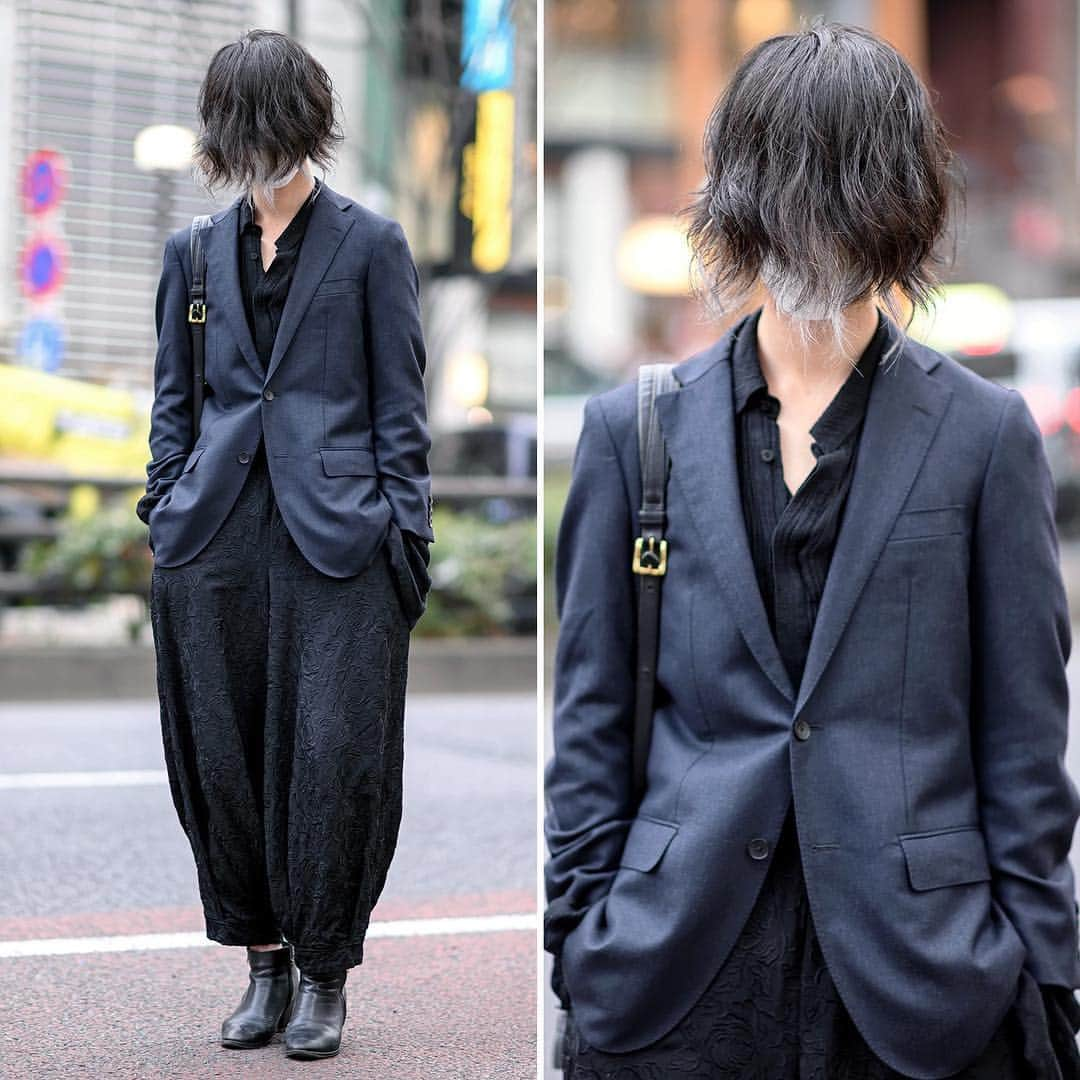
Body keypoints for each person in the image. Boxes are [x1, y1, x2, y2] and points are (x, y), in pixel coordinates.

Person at [545, 20, 1080, 1080]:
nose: (814, 232)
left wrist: (1039, 971)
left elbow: (1026, 746)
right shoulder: (635, 433)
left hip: (925, 986)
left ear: (900, 207)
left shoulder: (982, 435)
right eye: (788, 195)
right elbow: (591, 725)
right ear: (740, 202)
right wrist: (583, 938)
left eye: (844, 197)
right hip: (674, 978)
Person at [135, 29, 434, 1061]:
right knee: (223, 761)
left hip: (341, 544)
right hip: (213, 541)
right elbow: (175, 403)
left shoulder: (371, 245)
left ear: (304, 125)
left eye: (268, 125)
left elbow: (403, 409)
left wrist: (408, 543)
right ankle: (260, 963)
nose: (254, 146)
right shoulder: (193, 253)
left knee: (336, 759)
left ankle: (324, 975)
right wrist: (162, 513)